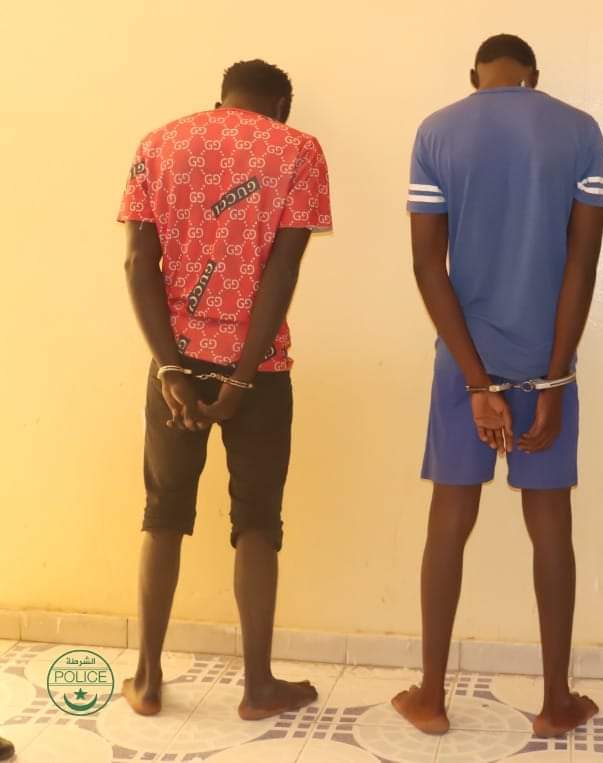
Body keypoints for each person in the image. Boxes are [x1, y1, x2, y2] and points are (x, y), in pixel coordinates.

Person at [391, 34, 603, 738]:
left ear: (475, 76)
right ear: (533, 77)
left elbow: (428, 267)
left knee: (449, 521)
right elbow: (582, 264)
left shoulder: (437, 132)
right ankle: (556, 702)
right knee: (551, 527)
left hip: (464, 362)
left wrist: (475, 381)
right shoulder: (580, 130)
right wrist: (555, 378)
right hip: (548, 359)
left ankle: (430, 697)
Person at [117, 59, 332, 720]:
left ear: (221, 100)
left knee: (163, 514)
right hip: (258, 371)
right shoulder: (298, 150)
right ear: (282, 107)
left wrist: (171, 369)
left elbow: (138, 262)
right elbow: (283, 269)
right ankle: (258, 687)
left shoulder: (158, 143)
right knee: (258, 520)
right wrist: (241, 374)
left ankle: (148, 678)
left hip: (176, 363)